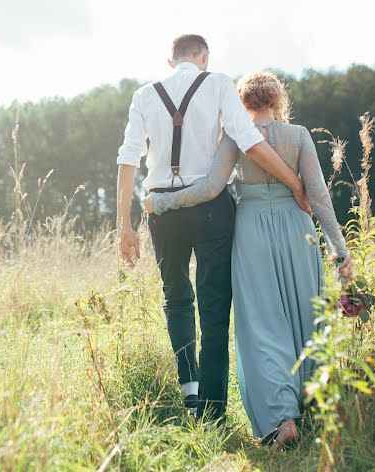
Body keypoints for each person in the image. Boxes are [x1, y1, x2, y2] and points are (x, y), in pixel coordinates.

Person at [143, 70, 354, 448]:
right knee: (304, 318)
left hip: (252, 232)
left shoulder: (236, 136)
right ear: (278, 100)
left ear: (242, 103)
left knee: (262, 325)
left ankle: (281, 417)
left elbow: (210, 188)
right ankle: (310, 407)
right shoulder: (299, 136)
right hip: (297, 231)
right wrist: (340, 250)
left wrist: (161, 201)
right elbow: (319, 196)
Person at [116, 35, 312, 422]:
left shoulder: (144, 95)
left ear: (170, 61)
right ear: (204, 57)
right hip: (210, 208)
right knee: (214, 306)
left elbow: (127, 159)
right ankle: (214, 407)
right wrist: (294, 181)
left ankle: (188, 388)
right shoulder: (219, 83)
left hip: (162, 210)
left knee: (175, 296)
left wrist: (124, 225)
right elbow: (250, 141)